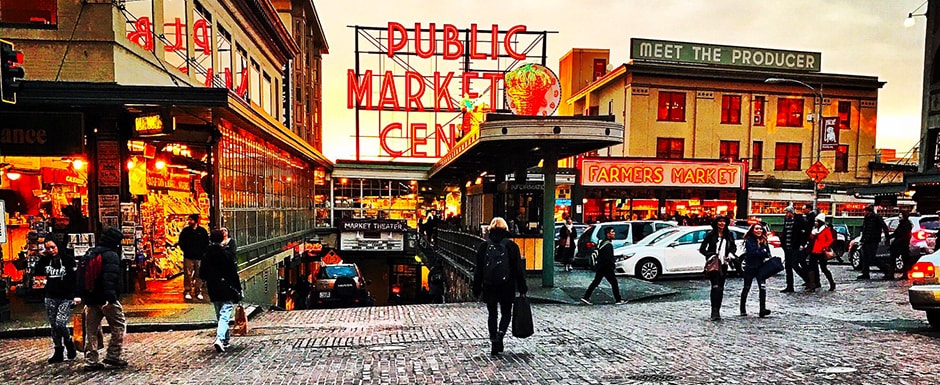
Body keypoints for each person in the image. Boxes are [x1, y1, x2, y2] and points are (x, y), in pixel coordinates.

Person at [472, 217, 528, 356]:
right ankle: (500, 335)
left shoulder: (484, 246)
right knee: (506, 313)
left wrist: (476, 287)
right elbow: (518, 269)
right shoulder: (511, 246)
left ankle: (493, 339)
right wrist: (522, 287)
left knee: (492, 314)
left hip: (489, 284)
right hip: (507, 285)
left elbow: (478, 269)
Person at [75, 227, 128, 371]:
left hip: (91, 299)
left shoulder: (90, 253)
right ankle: (113, 355)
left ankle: (91, 360)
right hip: (106, 299)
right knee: (118, 325)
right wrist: (111, 298)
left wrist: (82, 295)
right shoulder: (111, 255)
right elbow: (109, 279)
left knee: (91, 329)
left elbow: (80, 275)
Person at [199, 229, 243, 353]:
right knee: (225, 314)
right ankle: (220, 338)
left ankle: (225, 340)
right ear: (221, 240)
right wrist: (239, 289)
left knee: (220, 314)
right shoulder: (226, 254)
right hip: (226, 287)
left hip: (213, 287)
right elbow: (233, 274)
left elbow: (202, 273)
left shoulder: (206, 255)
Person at [34, 238, 77, 363]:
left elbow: (74, 278)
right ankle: (58, 350)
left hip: (65, 297)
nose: (51, 250)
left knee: (60, 323)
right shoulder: (45, 260)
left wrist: (75, 295)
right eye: (48, 248)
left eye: (53, 247)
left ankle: (69, 342)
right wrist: (41, 258)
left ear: (58, 245)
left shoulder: (68, 259)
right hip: (50, 296)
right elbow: (37, 274)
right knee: (53, 326)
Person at [699, 215, 737, 321]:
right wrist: (710, 255)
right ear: (716, 223)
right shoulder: (711, 234)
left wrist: (730, 254)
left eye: (723, 222)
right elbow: (702, 248)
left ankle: (718, 309)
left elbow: (733, 247)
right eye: (719, 221)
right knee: (715, 286)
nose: (722, 224)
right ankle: (714, 310)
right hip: (714, 263)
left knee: (720, 287)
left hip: (724, 263)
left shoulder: (729, 234)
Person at [580, 226, 625, 306]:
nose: (614, 233)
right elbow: (608, 258)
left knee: (596, 282)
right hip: (606, 267)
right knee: (614, 283)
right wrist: (612, 266)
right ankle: (618, 299)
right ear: (608, 234)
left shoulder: (603, 242)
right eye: (612, 232)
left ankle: (586, 297)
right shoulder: (608, 245)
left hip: (601, 266)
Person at [740, 224, 773, 318]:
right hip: (750, 267)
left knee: (762, 288)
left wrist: (762, 251)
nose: (759, 230)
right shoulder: (749, 240)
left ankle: (762, 309)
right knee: (746, 287)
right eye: (757, 229)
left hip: (761, 267)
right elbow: (752, 253)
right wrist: (761, 251)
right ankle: (742, 309)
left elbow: (767, 253)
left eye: (760, 229)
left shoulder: (764, 240)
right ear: (752, 230)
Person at [177, 213, 209, 300]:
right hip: (189, 256)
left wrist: (203, 252)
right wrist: (185, 250)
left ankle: (198, 291)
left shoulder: (202, 231)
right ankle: (187, 290)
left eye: (191, 219)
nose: (189, 221)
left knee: (199, 274)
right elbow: (181, 241)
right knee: (188, 274)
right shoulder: (186, 231)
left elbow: (206, 242)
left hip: (199, 256)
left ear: (195, 221)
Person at [779, 205, 809, 293]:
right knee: (788, 267)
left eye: (787, 212)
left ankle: (807, 279)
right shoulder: (786, 220)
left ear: (791, 213)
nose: (786, 214)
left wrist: (802, 244)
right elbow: (785, 232)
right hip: (787, 247)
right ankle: (789, 286)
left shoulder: (799, 220)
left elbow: (804, 233)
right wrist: (783, 244)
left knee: (794, 265)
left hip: (795, 246)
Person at [858, 205, 890, 280]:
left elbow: (884, 226)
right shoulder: (866, 218)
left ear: (869, 211)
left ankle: (886, 269)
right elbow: (865, 229)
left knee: (872, 257)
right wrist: (862, 239)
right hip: (866, 240)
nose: (864, 213)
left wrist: (887, 237)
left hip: (873, 240)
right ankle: (865, 273)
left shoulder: (876, 218)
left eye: (865, 211)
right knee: (864, 257)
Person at [806, 213, 836, 292]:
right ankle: (812, 285)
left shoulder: (826, 230)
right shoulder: (814, 230)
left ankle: (832, 283)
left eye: (817, 221)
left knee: (824, 268)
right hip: (814, 251)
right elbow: (810, 239)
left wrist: (825, 247)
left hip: (822, 251)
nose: (815, 223)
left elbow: (830, 240)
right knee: (811, 268)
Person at [886, 211, 913, 279]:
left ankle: (893, 274)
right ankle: (900, 274)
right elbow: (896, 233)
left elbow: (900, 234)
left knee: (896, 259)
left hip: (901, 244)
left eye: (901, 216)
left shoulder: (905, 224)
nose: (899, 217)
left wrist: (893, 239)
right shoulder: (903, 224)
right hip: (902, 244)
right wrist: (889, 237)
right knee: (903, 260)